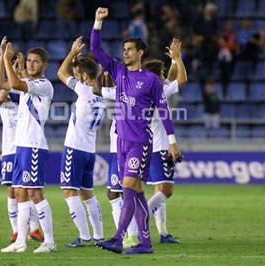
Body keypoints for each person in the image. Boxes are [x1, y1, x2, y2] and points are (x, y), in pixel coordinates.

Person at [91, 7, 182, 255]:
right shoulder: (119, 71)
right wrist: (98, 22)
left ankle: (119, 238)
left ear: (140, 52)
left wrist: (172, 142)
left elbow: (163, 111)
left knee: (129, 187)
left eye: (130, 50)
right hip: (120, 142)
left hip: (140, 142)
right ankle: (146, 243)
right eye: (124, 50)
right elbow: (96, 50)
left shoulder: (151, 80)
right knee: (139, 194)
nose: (126, 53)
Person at [0, 41, 56, 253]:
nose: (31, 64)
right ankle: (20, 241)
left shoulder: (43, 85)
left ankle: (49, 241)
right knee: (21, 194)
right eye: (29, 61)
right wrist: (1, 56)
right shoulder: (26, 85)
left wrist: (8, 60)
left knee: (35, 193)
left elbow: (15, 84)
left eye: (36, 62)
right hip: (20, 146)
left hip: (34, 146)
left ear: (44, 65)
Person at [0, 36, 44, 244]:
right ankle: (16, 231)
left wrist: (20, 69)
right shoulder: (4, 97)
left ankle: (34, 229)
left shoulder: (26, 95)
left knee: (29, 189)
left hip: (27, 146)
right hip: (10, 149)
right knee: (13, 191)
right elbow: (2, 88)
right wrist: (3, 59)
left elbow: (24, 85)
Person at [56, 37, 106, 247]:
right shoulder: (102, 98)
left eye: (78, 76)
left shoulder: (84, 90)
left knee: (69, 192)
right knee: (88, 194)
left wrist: (71, 53)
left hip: (74, 149)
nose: (75, 78)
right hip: (89, 151)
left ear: (85, 77)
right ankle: (98, 235)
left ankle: (84, 236)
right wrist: (79, 59)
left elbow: (60, 73)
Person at [145, 38, 187, 245]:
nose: (163, 78)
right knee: (166, 191)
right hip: (162, 147)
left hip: (150, 147)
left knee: (158, 190)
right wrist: (178, 59)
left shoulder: (148, 91)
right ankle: (139, 219)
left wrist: (170, 64)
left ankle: (162, 233)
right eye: (160, 74)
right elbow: (181, 80)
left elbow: (170, 81)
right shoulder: (158, 92)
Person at [100, 72, 140, 249]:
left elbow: (98, 90)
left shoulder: (125, 92)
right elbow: (106, 90)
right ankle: (125, 235)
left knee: (121, 193)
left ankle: (130, 236)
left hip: (122, 147)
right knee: (115, 193)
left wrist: (102, 74)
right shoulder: (123, 92)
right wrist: (108, 76)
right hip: (118, 147)